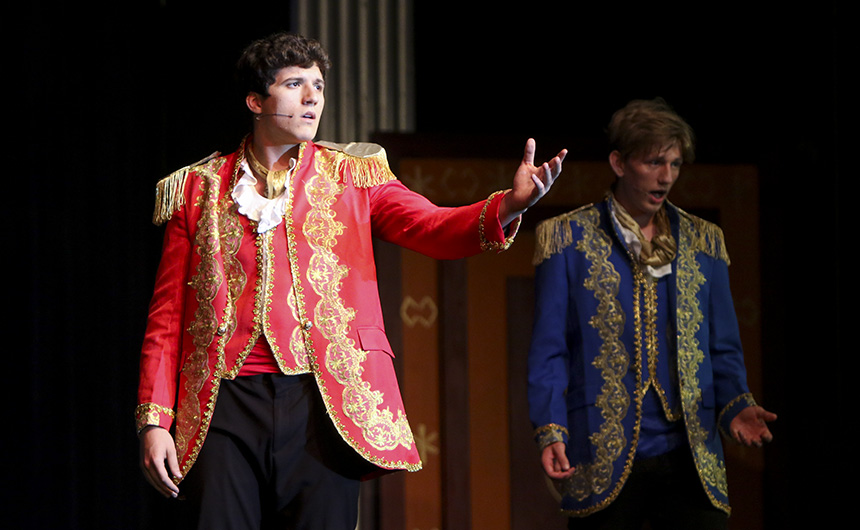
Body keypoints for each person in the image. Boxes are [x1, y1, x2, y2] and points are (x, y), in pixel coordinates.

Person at [136, 32, 566, 529]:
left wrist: (508, 205)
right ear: (256, 101)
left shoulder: (352, 174)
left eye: (318, 85)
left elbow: (432, 226)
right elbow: (168, 318)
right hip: (224, 406)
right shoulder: (198, 187)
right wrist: (154, 420)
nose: (312, 97)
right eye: (294, 84)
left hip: (324, 399)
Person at [527, 97, 775, 529]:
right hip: (603, 453)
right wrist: (550, 427)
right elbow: (550, 350)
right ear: (619, 163)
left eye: (675, 164)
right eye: (655, 162)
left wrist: (736, 403)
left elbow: (723, 347)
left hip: (691, 460)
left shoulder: (703, 240)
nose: (667, 177)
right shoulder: (567, 238)